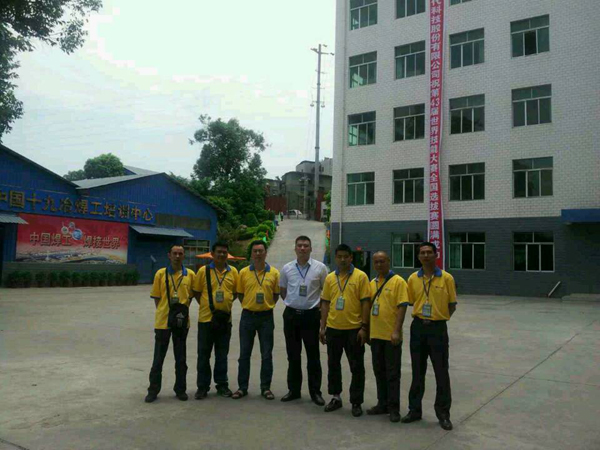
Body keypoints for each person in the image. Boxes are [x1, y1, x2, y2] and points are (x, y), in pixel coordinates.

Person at [401, 242, 457, 431]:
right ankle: (414, 410)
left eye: (429, 252)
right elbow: (410, 301)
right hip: (418, 328)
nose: (426, 255)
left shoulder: (446, 278)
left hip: (438, 329)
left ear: (436, 255)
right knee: (417, 371)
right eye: (422, 253)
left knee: (441, 371)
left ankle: (443, 414)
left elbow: (452, 305)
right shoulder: (412, 278)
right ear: (418, 256)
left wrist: (439, 318)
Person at [319, 243, 371, 417]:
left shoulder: (361, 276)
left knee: (356, 367)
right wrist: (323, 327)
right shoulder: (330, 278)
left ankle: (356, 401)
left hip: (354, 330)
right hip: (334, 329)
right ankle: (336, 397)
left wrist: (364, 327)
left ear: (351, 258)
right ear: (335, 258)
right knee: (333, 364)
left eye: (345, 257)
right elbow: (325, 303)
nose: (342, 260)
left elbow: (365, 303)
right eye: (339, 257)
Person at [279, 236, 329, 406]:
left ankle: (315, 392)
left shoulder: (320, 268)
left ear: (311, 248)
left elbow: (325, 292)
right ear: (295, 248)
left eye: (306, 246)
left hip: (311, 316)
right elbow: (283, 291)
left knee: (313, 356)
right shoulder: (287, 268)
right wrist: (294, 303)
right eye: (299, 245)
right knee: (293, 355)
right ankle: (294, 390)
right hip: (291, 316)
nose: (302, 248)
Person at [145, 244, 196, 403]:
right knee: (158, 358)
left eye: (180, 253)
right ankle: (153, 390)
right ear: (169, 255)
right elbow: (157, 298)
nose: (177, 256)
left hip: (181, 323)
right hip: (163, 323)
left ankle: (180, 389)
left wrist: (179, 312)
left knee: (181, 358)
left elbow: (190, 297)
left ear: (184, 255)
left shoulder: (190, 275)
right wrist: (166, 311)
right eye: (175, 253)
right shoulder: (160, 274)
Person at [232, 240, 280, 400]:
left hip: (266, 318)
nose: (258, 254)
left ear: (266, 253)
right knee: (244, 354)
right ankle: (242, 387)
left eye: (261, 251)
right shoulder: (243, 272)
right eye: (255, 251)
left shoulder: (274, 273)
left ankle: (265, 388)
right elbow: (240, 294)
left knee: (266, 354)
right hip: (248, 317)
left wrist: (265, 306)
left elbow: (275, 295)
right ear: (251, 254)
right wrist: (250, 305)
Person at [192, 241, 239, 399]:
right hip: (206, 320)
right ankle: (202, 387)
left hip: (225, 320)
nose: (221, 254)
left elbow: (235, 293)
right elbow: (197, 292)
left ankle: (222, 385)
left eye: (224, 252)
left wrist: (225, 304)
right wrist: (208, 306)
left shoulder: (233, 272)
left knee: (222, 355)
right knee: (203, 355)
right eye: (219, 252)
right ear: (212, 254)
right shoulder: (203, 271)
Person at [366, 251, 409, 423]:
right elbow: (368, 308)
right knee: (379, 371)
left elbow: (402, 307)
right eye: (376, 262)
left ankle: (393, 408)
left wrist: (396, 331)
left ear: (388, 261)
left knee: (392, 373)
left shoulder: (398, 282)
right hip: (375, 335)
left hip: (391, 336)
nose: (379, 265)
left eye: (382, 261)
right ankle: (382, 404)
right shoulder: (372, 283)